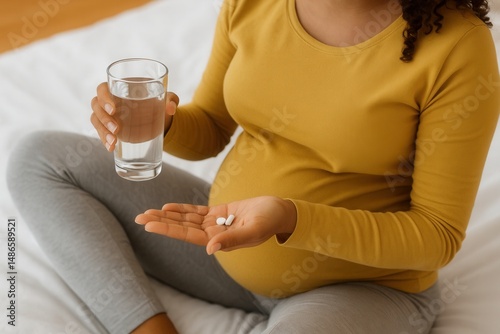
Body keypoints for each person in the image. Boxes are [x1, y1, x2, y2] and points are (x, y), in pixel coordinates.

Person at [7, 0, 499, 333]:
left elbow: (436, 236)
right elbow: (213, 128)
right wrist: (161, 125)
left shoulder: (458, 48)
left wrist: (289, 219)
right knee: (41, 158)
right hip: (219, 237)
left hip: (367, 288)